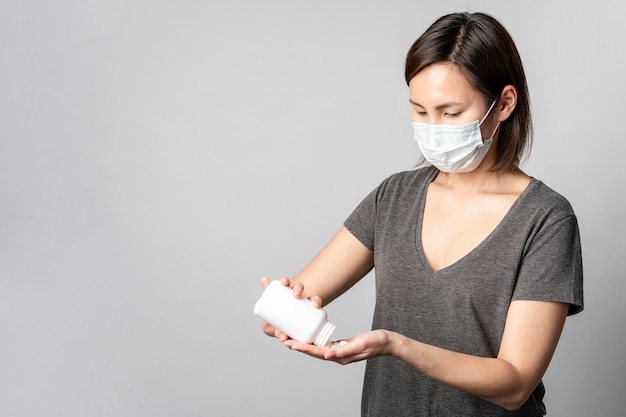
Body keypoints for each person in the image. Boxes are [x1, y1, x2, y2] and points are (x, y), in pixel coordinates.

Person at [258, 11, 583, 417]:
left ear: (503, 104)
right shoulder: (394, 197)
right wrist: (279, 312)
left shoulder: (546, 219)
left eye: (450, 113)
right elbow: (301, 295)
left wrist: (398, 346)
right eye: (420, 111)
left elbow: (516, 383)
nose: (433, 127)